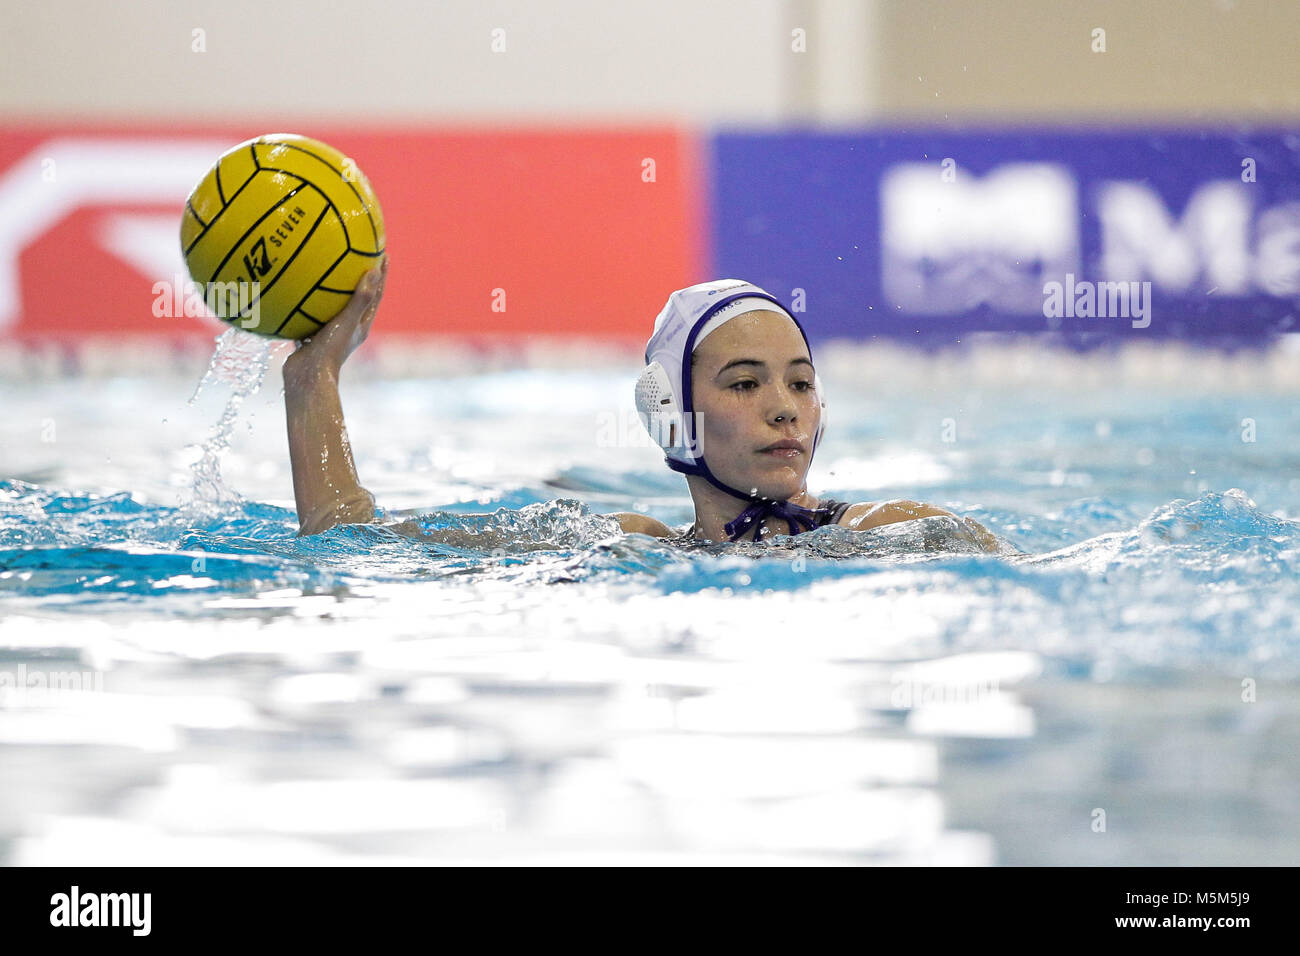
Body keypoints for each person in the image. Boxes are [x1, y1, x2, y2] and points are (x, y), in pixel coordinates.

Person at [283, 262, 1001, 552]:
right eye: (745, 383)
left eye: (800, 383)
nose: (785, 410)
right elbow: (348, 540)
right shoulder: (620, 544)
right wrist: (315, 375)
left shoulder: (903, 533)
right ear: (671, 415)